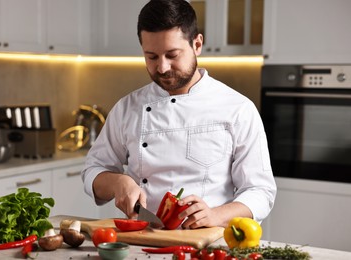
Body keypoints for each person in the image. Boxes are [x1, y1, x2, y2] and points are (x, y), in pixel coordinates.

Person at [81, 0, 276, 229]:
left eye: (172, 55)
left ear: (197, 44)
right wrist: (118, 182)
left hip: (208, 245)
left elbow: (260, 191)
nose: (162, 67)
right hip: (142, 239)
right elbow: (93, 170)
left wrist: (216, 215)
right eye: (151, 57)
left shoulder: (238, 109)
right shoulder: (127, 108)